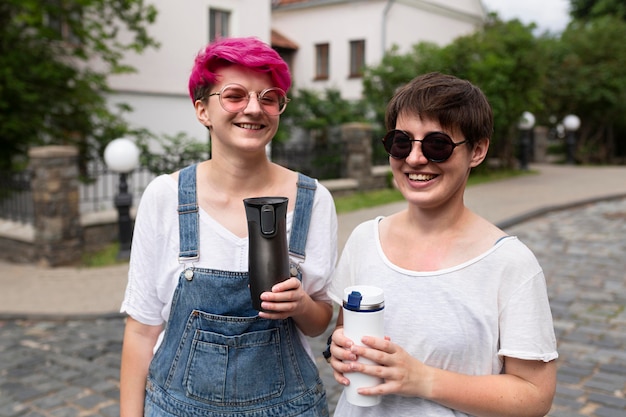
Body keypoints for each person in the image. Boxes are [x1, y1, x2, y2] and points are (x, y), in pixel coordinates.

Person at [119, 37, 337, 417]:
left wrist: (300, 303)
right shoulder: (164, 197)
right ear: (203, 110)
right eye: (235, 95)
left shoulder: (313, 200)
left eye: (269, 98)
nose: (254, 108)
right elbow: (141, 329)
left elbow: (320, 321)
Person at [326, 72, 558, 417]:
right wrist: (339, 348)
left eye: (437, 144)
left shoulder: (510, 263)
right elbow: (345, 328)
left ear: (477, 151)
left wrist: (423, 380)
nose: (415, 159)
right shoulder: (364, 239)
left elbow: (535, 395)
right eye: (401, 142)